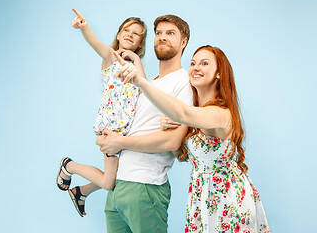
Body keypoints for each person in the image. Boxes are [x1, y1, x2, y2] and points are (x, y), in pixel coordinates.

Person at [115, 45, 271, 232]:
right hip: (202, 197)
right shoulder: (198, 114)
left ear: (219, 73)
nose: (196, 67)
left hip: (227, 199)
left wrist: (141, 82)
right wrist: (166, 131)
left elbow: (182, 112)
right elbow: (180, 154)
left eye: (205, 63)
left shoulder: (221, 113)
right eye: (193, 63)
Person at [96, 15, 194, 233]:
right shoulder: (146, 83)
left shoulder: (184, 82)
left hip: (146, 186)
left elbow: (172, 141)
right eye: (159, 33)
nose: (162, 37)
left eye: (170, 33)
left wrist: (121, 142)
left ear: (184, 41)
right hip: (118, 186)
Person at [55, 9, 147, 217]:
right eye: (126, 30)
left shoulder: (136, 68)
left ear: (140, 44)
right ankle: (69, 166)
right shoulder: (110, 56)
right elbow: (95, 43)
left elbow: (145, 88)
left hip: (128, 134)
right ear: (118, 35)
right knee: (109, 182)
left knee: (118, 177)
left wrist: (137, 60)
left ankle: (81, 192)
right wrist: (84, 27)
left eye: (136, 33)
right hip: (111, 129)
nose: (130, 34)